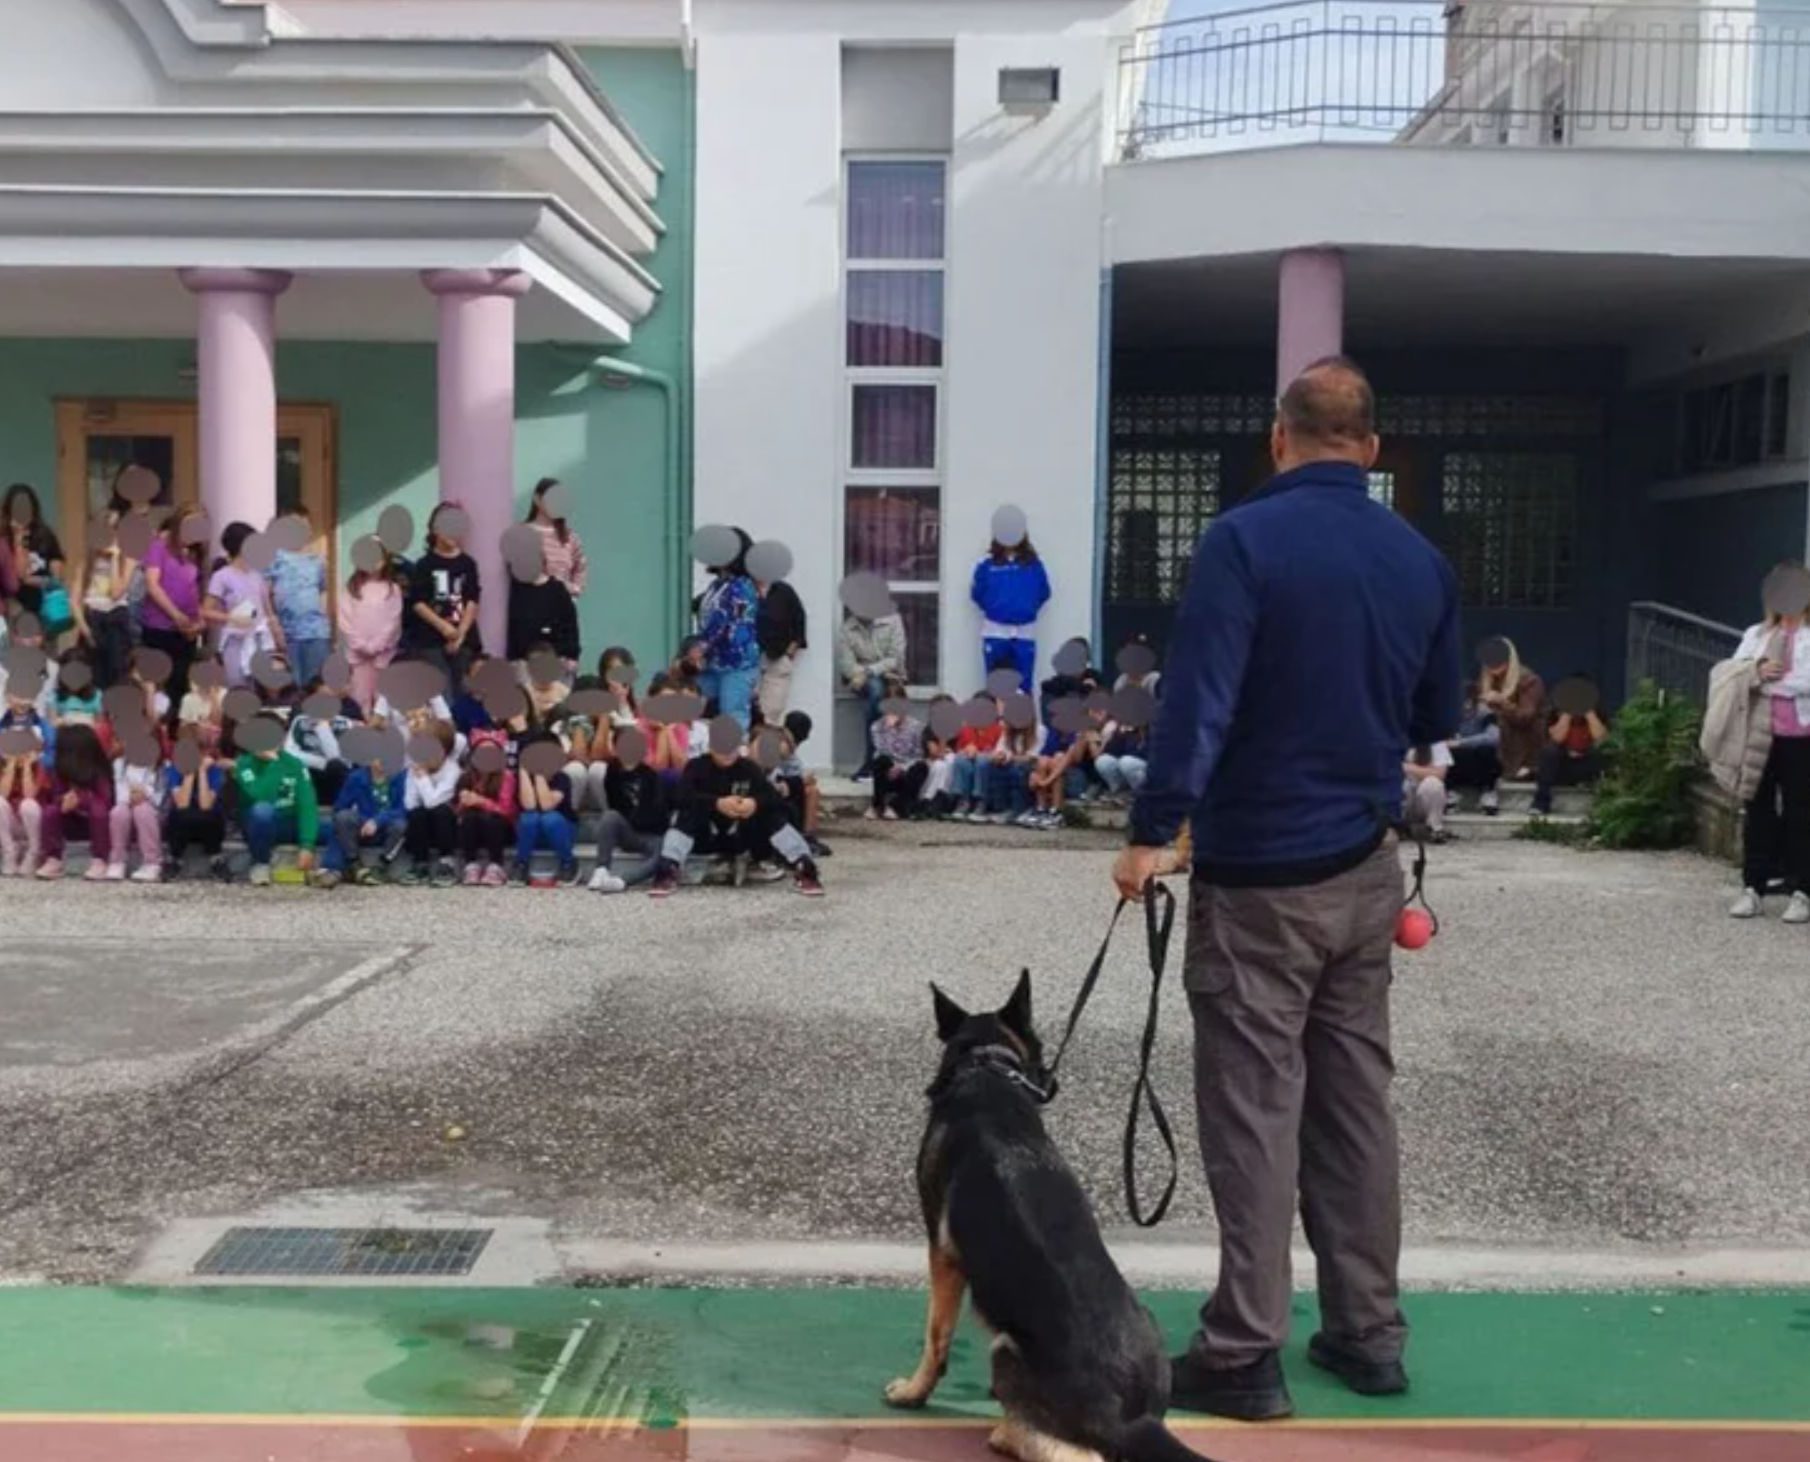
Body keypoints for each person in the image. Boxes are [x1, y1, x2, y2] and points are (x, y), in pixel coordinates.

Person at [1112, 357, 1461, 1421]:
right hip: (1364, 870)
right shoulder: (1417, 557)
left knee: (1257, 1114)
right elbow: (1434, 710)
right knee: (1355, 1108)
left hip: (1260, 874)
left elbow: (1199, 708)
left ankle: (1241, 1351)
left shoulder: (1241, 541)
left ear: (1279, 438)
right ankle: (1367, 1334)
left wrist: (1148, 830)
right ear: (1369, 445)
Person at [647, 736, 823, 899]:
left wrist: (754, 803)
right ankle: (668, 868)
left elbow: (774, 798)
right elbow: (681, 797)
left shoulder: (748, 768)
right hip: (705, 834)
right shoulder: (696, 767)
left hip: (742, 835)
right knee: (688, 813)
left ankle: (804, 865)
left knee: (771, 814)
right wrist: (717, 803)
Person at [1731, 595, 1810, 921]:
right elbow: (1734, 673)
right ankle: (1753, 887)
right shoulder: (1756, 634)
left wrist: (1770, 684)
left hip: (1802, 736)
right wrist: (1759, 672)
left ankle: (1801, 890)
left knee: (1801, 812)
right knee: (1758, 809)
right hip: (1759, 735)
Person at [403, 505, 482, 696]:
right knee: (441, 691)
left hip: (463, 638)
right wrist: (444, 628)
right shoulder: (424, 564)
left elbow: (472, 599)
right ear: (435, 530)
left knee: (463, 689)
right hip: (431, 640)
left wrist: (460, 632)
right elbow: (418, 603)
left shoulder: (468, 564)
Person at [232, 717, 319, 887]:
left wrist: (307, 844)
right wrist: (274, 764)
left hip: (288, 822)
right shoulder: (244, 765)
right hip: (257, 825)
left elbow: (307, 804)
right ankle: (260, 863)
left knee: (336, 825)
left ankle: (332, 868)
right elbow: (259, 795)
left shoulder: (295, 765)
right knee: (262, 811)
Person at [138, 509, 208, 710]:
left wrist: (198, 622)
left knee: (181, 684)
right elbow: (152, 584)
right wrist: (175, 614)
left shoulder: (194, 554)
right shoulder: (158, 548)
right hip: (160, 627)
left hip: (187, 631)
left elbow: (196, 592)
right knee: (159, 684)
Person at [696, 529, 761, 730]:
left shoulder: (741, 586)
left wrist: (702, 646)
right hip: (713, 661)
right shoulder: (717, 584)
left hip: (736, 663)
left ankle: (736, 756)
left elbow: (727, 623)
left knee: (733, 717)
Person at [205, 522, 284, 688]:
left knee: (261, 689)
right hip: (236, 640)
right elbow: (205, 611)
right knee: (237, 686)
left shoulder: (258, 575)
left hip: (261, 640)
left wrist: (277, 636)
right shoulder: (222, 576)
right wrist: (231, 617)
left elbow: (268, 610)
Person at [971, 533, 1050, 693]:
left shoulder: (1034, 566)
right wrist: (995, 608)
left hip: (1025, 633)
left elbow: (1044, 592)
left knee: (1024, 684)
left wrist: (1027, 609)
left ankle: (1022, 717)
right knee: (995, 683)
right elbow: (977, 593)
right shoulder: (987, 565)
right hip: (995, 632)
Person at [834, 603, 907, 778]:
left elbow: (896, 658)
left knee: (878, 694)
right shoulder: (847, 629)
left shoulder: (892, 620)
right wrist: (864, 675)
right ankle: (874, 758)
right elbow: (847, 666)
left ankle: (873, 760)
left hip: (892, 677)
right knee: (875, 689)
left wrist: (868, 671)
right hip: (862, 682)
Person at [1473, 640, 1546, 812]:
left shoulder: (1529, 680)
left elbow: (1526, 717)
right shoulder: (1484, 680)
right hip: (1488, 737)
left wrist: (1503, 703)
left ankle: (1520, 771)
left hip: (1520, 740)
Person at [39, 721, 115, 882]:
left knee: (98, 809)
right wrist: (63, 802)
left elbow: (106, 801)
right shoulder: (59, 771)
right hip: (71, 824)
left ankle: (100, 859)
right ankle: (53, 859)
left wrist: (82, 798)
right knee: (50, 811)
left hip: (96, 825)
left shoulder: (99, 770)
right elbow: (54, 796)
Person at [590, 743, 672, 893]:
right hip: (628, 830)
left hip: (652, 834)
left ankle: (622, 881)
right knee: (610, 816)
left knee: (662, 856)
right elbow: (614, 804)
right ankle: (601, 869)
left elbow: (660, 812)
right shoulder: (613, 772)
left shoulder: (651, 775)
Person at [317, 753, 406, 888]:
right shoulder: (356, 777)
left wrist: (377, 821)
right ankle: (354, 864)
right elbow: (339, 808)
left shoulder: (400, 777)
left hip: (389, 829)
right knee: (343, 818)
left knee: (402, 825)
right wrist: (365, 820)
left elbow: (403, 809)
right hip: (363, 828)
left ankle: (382, 866)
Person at [266, 510, 331, 688]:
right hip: (287, 633)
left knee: (317, 683)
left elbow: (323, 593)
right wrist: (273, 623)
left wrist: (326, 622)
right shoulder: (275, 559)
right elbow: (266, 593)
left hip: (316, 633)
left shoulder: (317, 561)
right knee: (291, 684)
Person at [339, 544, 404, 716]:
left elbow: (393, 620)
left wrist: (378, 645)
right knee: (359, 695)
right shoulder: (352, 588)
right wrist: (360, 645)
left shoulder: (392, 589)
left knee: (382, 696)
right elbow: (345, 619)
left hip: (383, 654)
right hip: (358, 655)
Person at [74, 509, 134, 690]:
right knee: (93, 676)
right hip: (92, 618)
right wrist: (85, 630)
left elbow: (116, 593)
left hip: (116, 619)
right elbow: (75, 600)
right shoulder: (86, 560)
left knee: (117, 674)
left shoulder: (127, 559)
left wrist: (115, 558)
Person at [514, 729, 580, 886]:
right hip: (533, 834)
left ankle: (569, 863)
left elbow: (546, 805)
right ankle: (521, 864)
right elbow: (529, 805)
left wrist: (539, 774)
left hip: (561, 832)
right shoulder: (523, 778)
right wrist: (523, 769)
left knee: (549, 818)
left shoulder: (562, 779)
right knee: (529, 818)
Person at [399, 720, 461, 887]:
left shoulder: (452, 770)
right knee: (416, 813)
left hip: (446, 829)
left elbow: (433, 802)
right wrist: (419, 775)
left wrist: (424, 777)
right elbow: (410, 803)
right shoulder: (414, 768)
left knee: (442, 811)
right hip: (422, 827)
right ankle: (420, 863)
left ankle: (446, 863)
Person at [164, 731, 229, 881]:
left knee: (211, 814)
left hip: (207, 822)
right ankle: (175, 858)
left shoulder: (215, 772)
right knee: (180, 815)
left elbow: (206, 805)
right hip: (183, 822)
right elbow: (182, 804)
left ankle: (216, 858)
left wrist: (202, 771)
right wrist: (190, 773)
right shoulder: (174, 770)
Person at [457, 729, 518, 887]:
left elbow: (507, 810)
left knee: (491, 819)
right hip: (474, 827)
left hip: (501, 828)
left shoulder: (506, 777)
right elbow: (455, 809)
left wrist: (480, 801)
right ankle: (471, 864)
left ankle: (496, 866)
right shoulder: (466, 776)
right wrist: (463, 803)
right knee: (470, 817)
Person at [1531, 695, 1609, 817]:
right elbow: (1557, 738)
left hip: (1587, 768)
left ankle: (1603, 802)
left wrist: (1589, 713)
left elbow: (1602, 739)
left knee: (1601, 752)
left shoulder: (1597, 717)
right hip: (1562, 768)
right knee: (1549, 752)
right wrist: (1567, 714)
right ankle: (1541, 803)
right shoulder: (1555, 717)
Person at [3, 483, 66, 623]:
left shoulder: (45, 535)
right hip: (15, 606)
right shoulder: (4, 538)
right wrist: (18, 538)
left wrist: (42, 581)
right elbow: (19, 575)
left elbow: (57, 573)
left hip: (44, 605)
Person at [106, 742, 165, 882]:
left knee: (142, 811)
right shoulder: (119, 764)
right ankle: (117, 861)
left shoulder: (159, 766)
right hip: (126, 801)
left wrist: (145, 794)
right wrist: (130, 797)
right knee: (118, 813)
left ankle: (152, 862)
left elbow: (160, 795)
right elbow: (119, 789)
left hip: (151, 807)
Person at [506, 556, 580, 666]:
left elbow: (571, 627)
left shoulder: (557, 591)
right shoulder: (516, 590)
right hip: (522, 662)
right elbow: (514, 629)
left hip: (555, 659)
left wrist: (572, 657)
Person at [755, 569, 807, 724]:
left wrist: (791, 650)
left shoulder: (783, 591)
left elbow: (799, 620)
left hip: (776, 658)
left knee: (770, 714)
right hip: (746, 661)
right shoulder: (741, 592)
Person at [867, 688, 927, 821]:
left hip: (907, 771)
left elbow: (918, 754)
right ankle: (878, 805)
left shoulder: (916, 726)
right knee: (880, 761)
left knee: (921, 767)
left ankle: (896, 807)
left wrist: (902, 767)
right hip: (887, 769)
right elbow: (881, 750)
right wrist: (890, 729)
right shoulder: (877, 727)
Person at [526, 477, 588, 598]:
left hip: (564, 609)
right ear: (537, 499)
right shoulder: (524, 533)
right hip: (534, 608)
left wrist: (573, 593)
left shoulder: (570, 537)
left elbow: (581, 568)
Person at [0, 731, 45, 877]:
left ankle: (34, 852)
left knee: (28, 804)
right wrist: (11, 765)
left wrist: (26, 766)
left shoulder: (40, 767)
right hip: (11, 824)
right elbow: (3, 794)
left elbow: (29, 794)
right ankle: (9, 852)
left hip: (32, 824)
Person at [1401, 743, 1451, 843]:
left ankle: (1435, 829)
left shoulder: (1437, 743)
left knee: (1433, 783)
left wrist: (1409, 768)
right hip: (1401, 799)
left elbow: (1439, 774)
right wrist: (1425, 770)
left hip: (1423, 802)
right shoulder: (1390, 736)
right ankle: (1393, 828)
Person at [1095, 719, 1149, 801]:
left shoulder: (1157, 729)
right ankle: (1120, 792)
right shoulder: (1130, 731)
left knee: (1127, 762)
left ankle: (1143, 795)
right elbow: (1112, 751)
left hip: (1152, 771)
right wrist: (1116, 733)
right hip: (1130, 770)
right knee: (1103, 760)